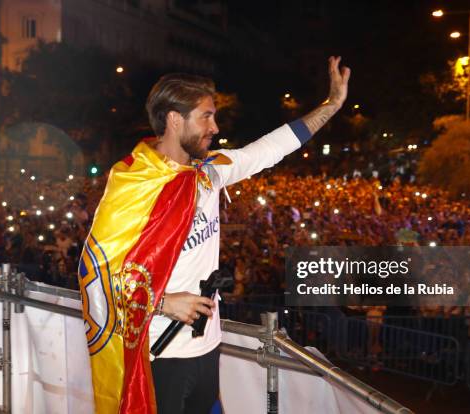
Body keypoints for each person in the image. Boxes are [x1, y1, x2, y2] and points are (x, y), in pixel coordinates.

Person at [78, 56, 350, 414]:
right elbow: (94, 271)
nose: (215, 127)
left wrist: (331, 106)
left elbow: (271, 148)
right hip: (160, 354)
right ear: (175, 119)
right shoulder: (133, 183)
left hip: (207, 346)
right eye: (206, 115)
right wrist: (163, 302)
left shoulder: (210, 172)